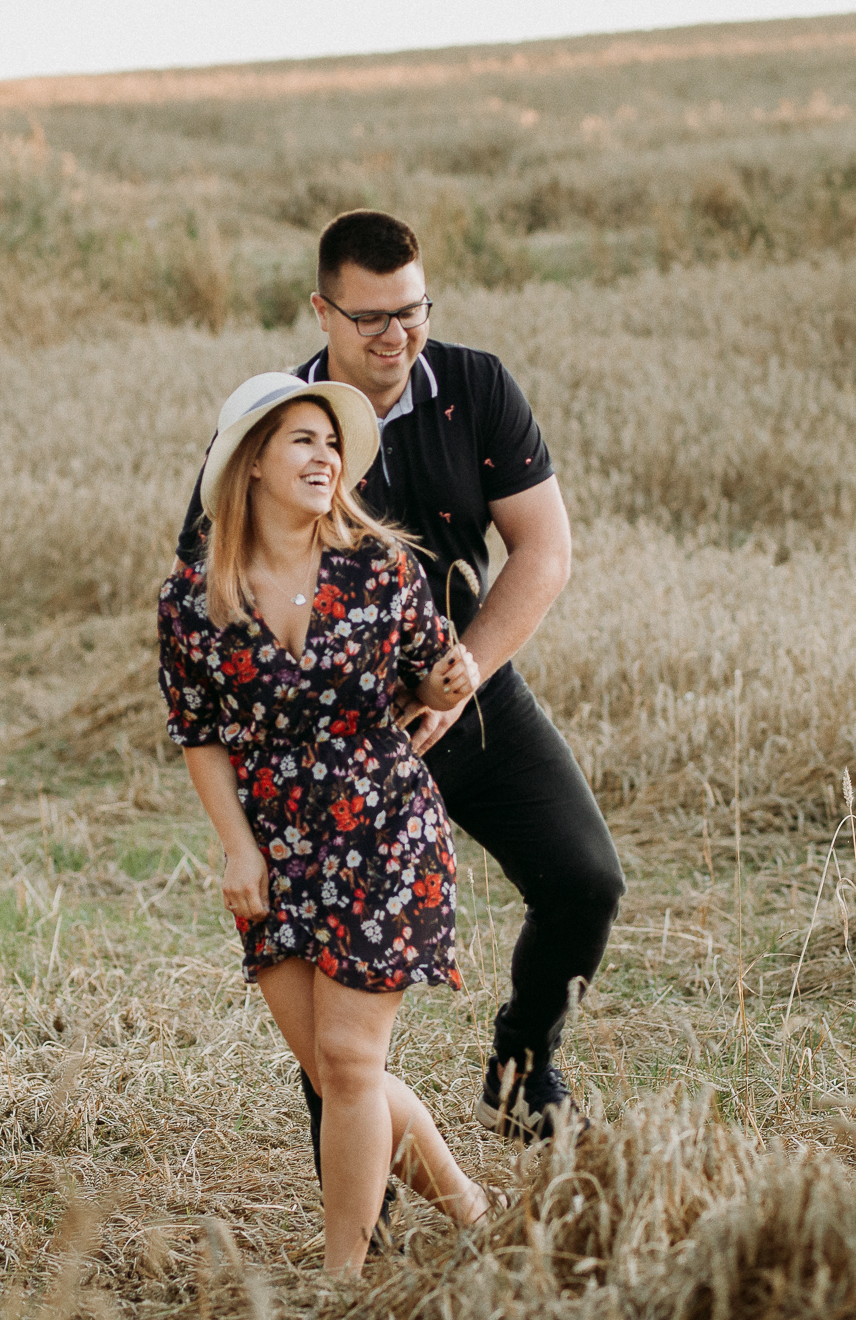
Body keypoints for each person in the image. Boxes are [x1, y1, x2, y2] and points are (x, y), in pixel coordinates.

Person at [175, 211, 626, 1153]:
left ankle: (521, 1069)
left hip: (466, 687)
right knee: (328, 982)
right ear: (322, 312)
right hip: (329, 737)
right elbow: (208, 584)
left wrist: (466, 675)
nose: (397, 335)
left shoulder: (475, 385)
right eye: (372, 317)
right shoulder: (278, 424)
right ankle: (361, 1197)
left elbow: (544, 549)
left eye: (413, 311)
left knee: (585, 880)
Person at [158, 371, 491, 1277]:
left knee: (348, 1060)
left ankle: (343, 1287)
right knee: (342, 1073)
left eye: (333, 443)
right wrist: (238, 849)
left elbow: (432, 674)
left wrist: (449, 681)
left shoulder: (380, 567)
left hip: (385, 827)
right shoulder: (193, 599)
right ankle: (473, 1212)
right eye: (303, 439)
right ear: (251, 461)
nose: (326, 457)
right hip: (276, 847)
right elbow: (199, 733)